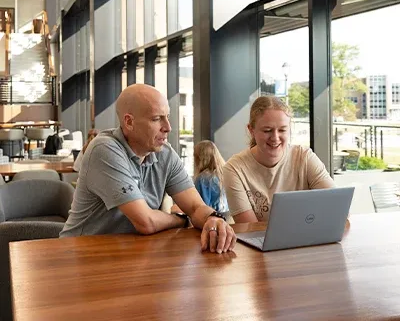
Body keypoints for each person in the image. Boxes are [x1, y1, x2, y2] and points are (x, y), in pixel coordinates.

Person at [60, 84, 236, 254]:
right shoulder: (104, 149)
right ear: (129, 122)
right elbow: (146, 222)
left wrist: (213, 218)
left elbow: (196, 207)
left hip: (131, 253)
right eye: (156, 118)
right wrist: (182, 219)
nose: (168, 127)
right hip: (80, 255)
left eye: (167, 116)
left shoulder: (165, 153)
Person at [223, 95, 335, 223]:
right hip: (261, 242)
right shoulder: (234, 169)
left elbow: (337, 207)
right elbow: (250, 229)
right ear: (251, 130)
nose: (275, 137)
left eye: (282, 130)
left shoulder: (304, 157)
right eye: (267, 130)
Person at [193, 140, 229, 215]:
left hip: (212, 219)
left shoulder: (202, 179)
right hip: (230, 218)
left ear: (199, 158)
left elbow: (201, 207)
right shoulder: (227, 173)